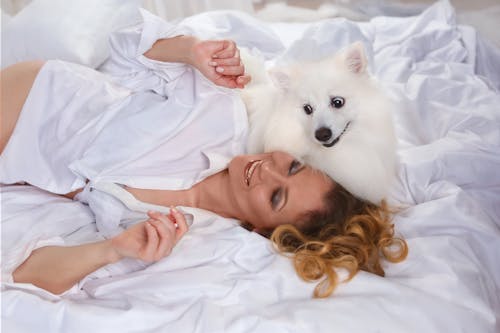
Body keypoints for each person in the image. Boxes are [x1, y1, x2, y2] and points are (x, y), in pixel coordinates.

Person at [1, 10, 407, 297]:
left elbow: (25, 273)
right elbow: (124, 48)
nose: (269, 170)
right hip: (26, 97)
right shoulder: (221, 111)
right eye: (294, 166)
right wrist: (188, 50)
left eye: (276, 196)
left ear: (262, 230)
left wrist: (113, 250)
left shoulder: (187, 235)